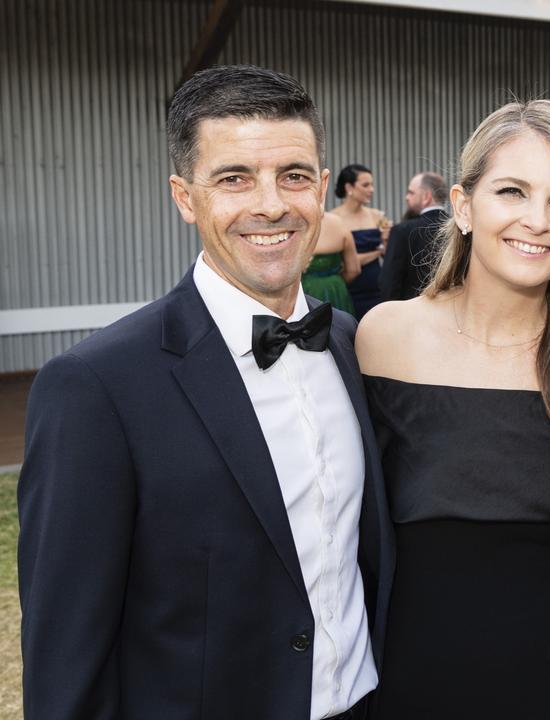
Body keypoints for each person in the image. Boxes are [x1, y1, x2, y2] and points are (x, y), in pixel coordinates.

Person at [18, 64, 394, 720]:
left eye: (295, 176)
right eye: (234, 179)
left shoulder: (350, 343)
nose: (272, 204)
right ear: (185, 197)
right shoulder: (95, 387)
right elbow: (66, 657)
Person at [355, 99, 550, 719]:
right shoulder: (383, 337)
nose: (538, 220)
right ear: (462, 206)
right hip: (413, 691)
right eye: (512, 191)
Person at [331, 163, 390, 318]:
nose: (372, 189)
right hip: (349, 289)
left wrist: (387, 240)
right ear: (349, 187)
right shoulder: (334, 219)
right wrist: (377, 251)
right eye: (366, 185)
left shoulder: (376, 215)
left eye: (372, 184)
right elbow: (342, 263)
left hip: (377, 289)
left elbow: (389, 255)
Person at [379, 171, 449, 301]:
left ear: (426, 197)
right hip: (453, 309)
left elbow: (390, 281)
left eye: (411, 192)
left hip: (412, 311)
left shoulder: (402, 230)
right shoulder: (459, 227)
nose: (406, 197)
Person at [303, 211, 360, 313]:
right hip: (335, 290)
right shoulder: (338, 222)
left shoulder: (287, 225)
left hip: (303, 291)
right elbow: (354, 270)